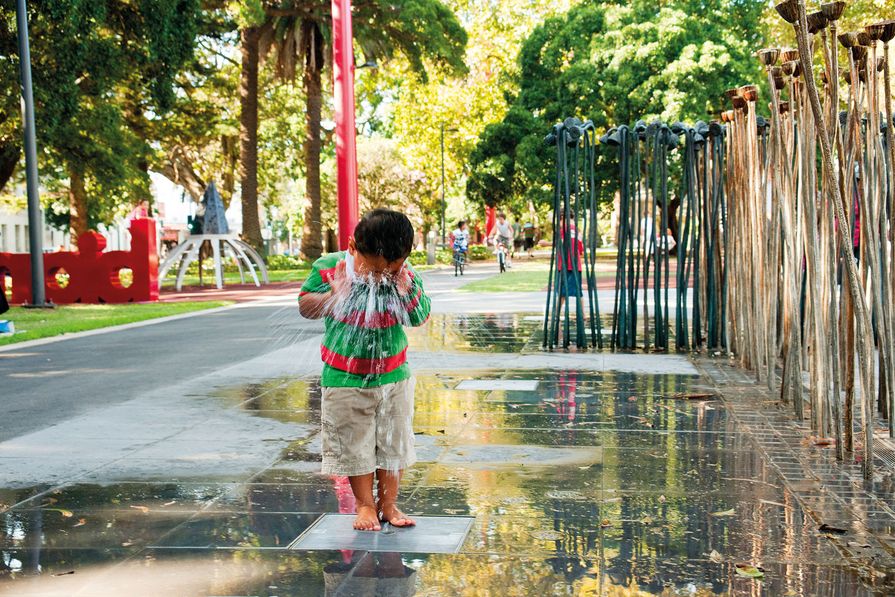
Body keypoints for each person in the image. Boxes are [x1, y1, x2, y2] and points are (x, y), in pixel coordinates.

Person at [298, 208, 431, 532]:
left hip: (393, 375)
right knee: (354, 444)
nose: (379, 277)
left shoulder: (403, 274)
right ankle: (365, 505)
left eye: (391, 270)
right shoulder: (330, 268)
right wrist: (334, 294)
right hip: (344, 377)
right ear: (353, 247)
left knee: (392, 444)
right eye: (373, 270)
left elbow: (419, 316)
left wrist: (405, 286)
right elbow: (305, 306)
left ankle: (388, 504)